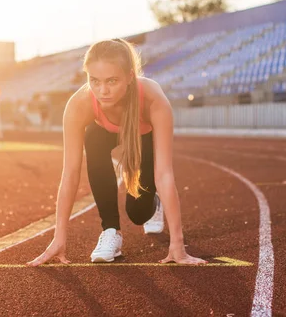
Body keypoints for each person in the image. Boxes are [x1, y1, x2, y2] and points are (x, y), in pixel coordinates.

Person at [27, 38, 206, 266]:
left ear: (130, 77)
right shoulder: (79, 105)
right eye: (95, 81)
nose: (103, 91)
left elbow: (164, 174)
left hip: (144, 135)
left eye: (112, 81)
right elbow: (70, 173)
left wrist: (177, 245)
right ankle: (110, 231)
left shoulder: (153, 101)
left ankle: (154, 203)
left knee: (138, 213)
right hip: (102, 133)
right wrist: (58, 237)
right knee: (93, 138)